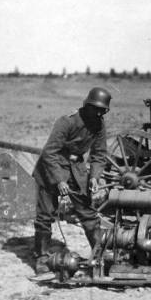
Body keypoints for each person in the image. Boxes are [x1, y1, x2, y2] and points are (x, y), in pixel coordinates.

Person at [32, 87, 111, 274]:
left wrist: (94, 177)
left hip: (76, 169)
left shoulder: (99, 124)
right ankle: (42, 257)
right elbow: (49, 153)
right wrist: (59, 180)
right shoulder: (67, 121)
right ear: (87, 105)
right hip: (51, 168)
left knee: (88, 213)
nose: (98, 114)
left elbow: (100, 154)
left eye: (102, 110)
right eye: (95, 109)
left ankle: (99, 253)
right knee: (45, 216)